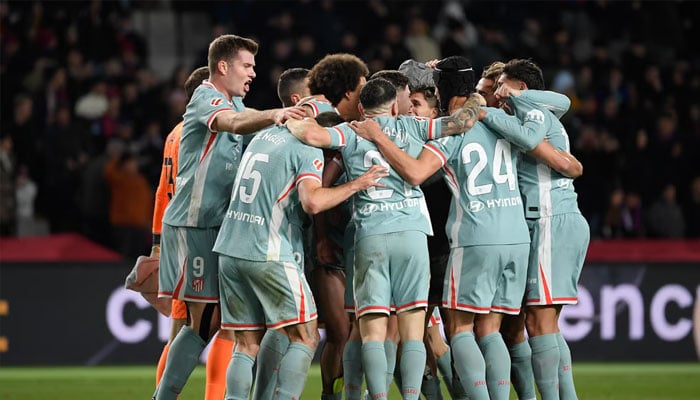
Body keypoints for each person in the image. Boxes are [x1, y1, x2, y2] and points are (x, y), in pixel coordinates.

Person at [286, 77, 480, 400]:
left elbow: (311, 133)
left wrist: (289, 117)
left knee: (372, 333)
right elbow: (462, 122)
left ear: (362, 108)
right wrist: (476, 100)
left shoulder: (350, 131)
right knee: (414, 332)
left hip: (369, 237)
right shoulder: (413, 126)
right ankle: (411, 395)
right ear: (394, 106)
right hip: (412, 235)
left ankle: (375, 396)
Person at [152, 34, 306, 400]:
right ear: (223, 66)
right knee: (202, 324)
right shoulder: (205, 97)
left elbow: (244, 118)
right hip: (196, 223)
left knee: (226, 325)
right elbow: (234, 124)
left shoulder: (235, 100)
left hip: (222, 226)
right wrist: (277, 114)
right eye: (247, 65)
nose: (253, 72)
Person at [212, 114, 388, 400]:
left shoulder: (264, 138)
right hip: (267, 250)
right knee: (305, 334)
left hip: (230, 249)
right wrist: (359, 183)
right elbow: (313, 201)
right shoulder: (308, 149)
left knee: (245, 345)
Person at [480, 58, 590, 400]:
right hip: (549, 219)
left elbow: (557, 109)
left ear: (520, 89)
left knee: (538, 323)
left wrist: (488, 112)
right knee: (546, 325)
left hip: (548, 219)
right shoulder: (530, 114)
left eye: (500, 87)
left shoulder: (535, 114)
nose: (495, 95)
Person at [129, 65, 235, 400]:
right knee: (227, 326)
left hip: (177, 237)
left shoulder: (175, 133)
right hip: (204, 234)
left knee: (182, 330)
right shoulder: (202, 132)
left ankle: (161, 394)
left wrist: (158, 244)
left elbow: (163, 191)